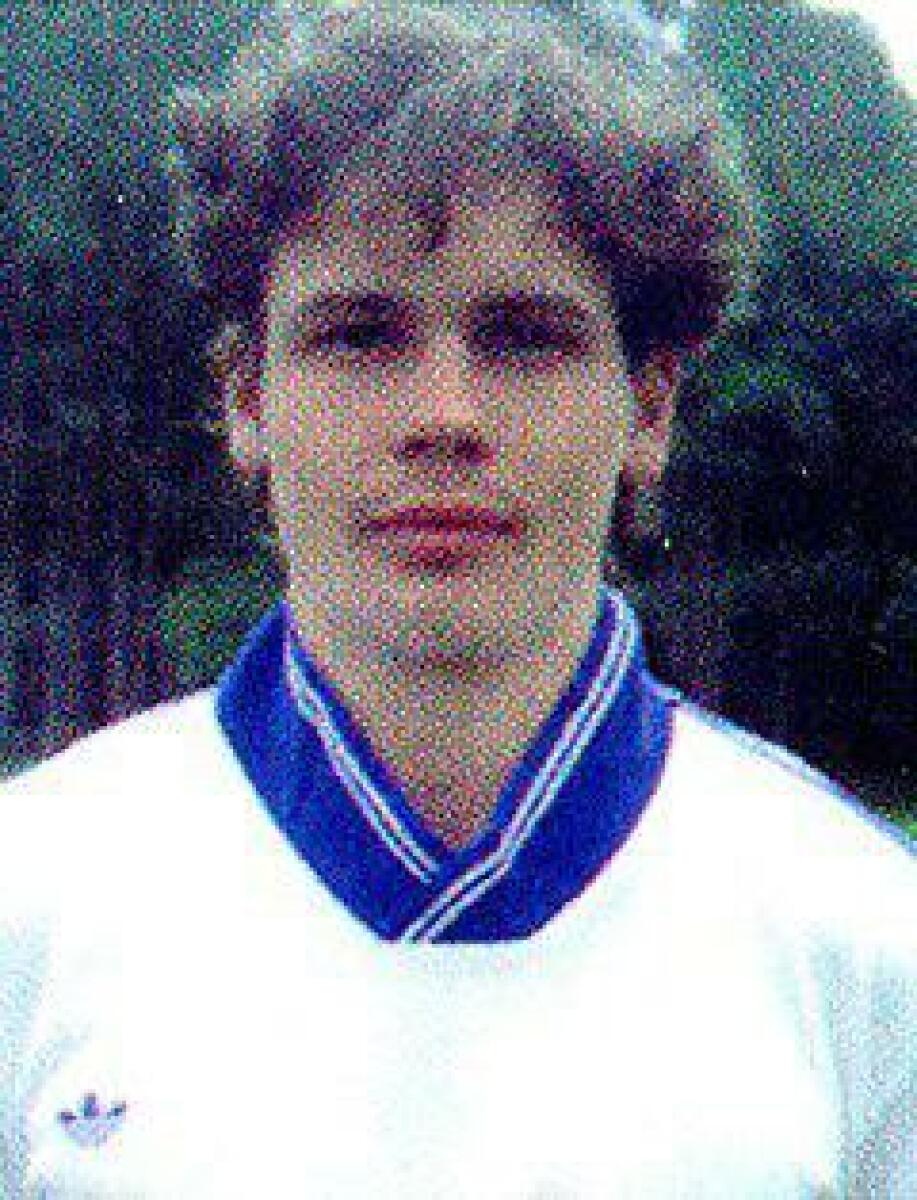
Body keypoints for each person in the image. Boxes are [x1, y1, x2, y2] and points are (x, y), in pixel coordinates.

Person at [2, 2, 914, 1195]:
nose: (444, 417)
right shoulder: (32, 902)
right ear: (245, 401)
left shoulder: (863, 940)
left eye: (524, 339)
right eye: (359, 336)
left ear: (647, 407)